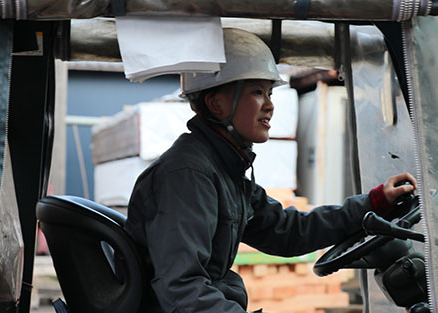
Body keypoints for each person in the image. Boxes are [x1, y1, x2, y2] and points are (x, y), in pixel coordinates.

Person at [124, 27, 417, 313]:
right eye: (256, 92)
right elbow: (183, 290)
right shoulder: (189, 175)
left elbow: (288, 231)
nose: (269, 106)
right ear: (216, 104)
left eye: (270, 93)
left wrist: (373, 204)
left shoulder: (225, 170)